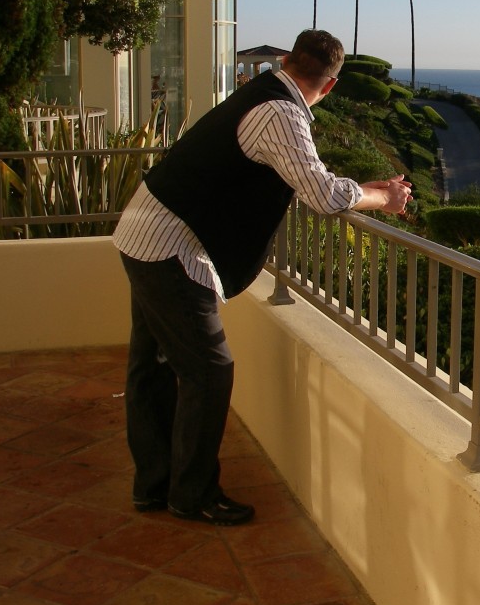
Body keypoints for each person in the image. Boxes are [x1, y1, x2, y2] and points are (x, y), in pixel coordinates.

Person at [112, 29, 412, 525]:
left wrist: (365, 186)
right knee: (208, 371)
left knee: (153, 365)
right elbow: (321, 195)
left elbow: (303, 176)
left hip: (142, 231)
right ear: (330, 86)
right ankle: (192, 495)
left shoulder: (259, 94)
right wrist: (385, 198)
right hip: (172, 249)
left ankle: (154, 485)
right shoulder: (282, 113)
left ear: (288, 59)